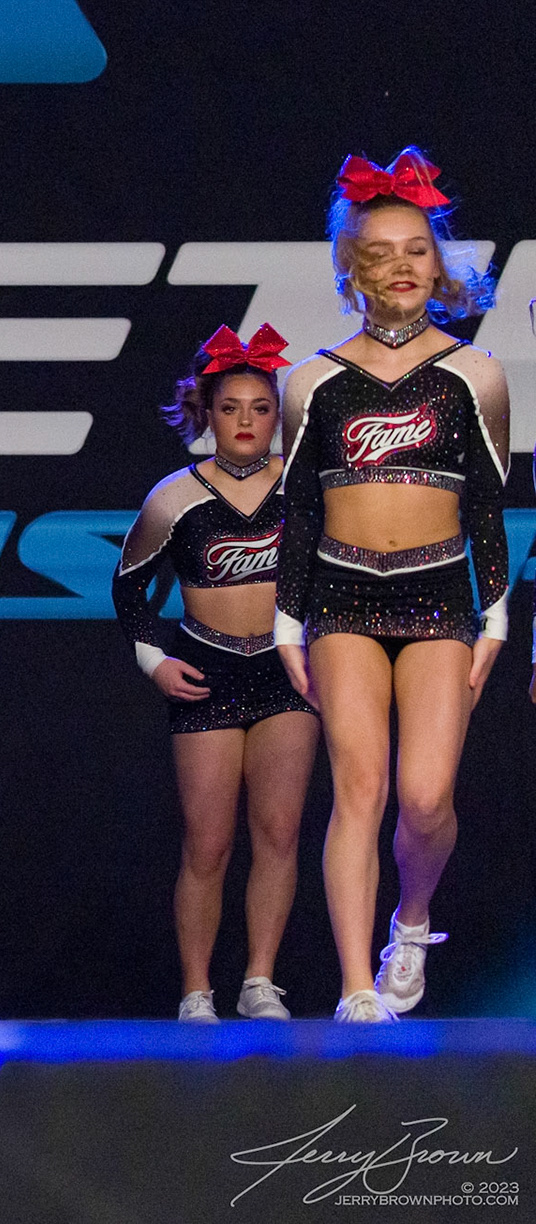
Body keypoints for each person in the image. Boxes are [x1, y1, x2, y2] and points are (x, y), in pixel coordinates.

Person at [276, 150, 506, 1023]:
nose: (403, 266)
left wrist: (495, 618)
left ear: (438, 264)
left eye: (418, 249)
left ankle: (411, 919)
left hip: (440, 598)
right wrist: (288, 625)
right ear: (352, 268)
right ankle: (356, 988)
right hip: (340, 602)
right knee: (359, 789)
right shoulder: (313, 382)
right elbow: (301, 512)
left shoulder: (476, 375)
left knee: (426, 797)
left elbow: (486, 505)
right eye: (381, 252)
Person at [113, 324, 318, 1022]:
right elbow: (128, 588)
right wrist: (154, 661)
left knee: (279, 832)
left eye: (261, 408)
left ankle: (260, 981)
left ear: (279, 414)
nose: (246, 421)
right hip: (206, 673)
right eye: (231, 407)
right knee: (208, 842)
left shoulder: (302, 487)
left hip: (287, 674)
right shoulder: (176, 496)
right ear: (206, 411)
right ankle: (196, 990)